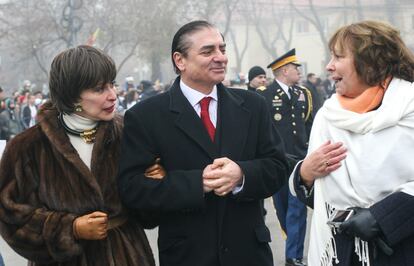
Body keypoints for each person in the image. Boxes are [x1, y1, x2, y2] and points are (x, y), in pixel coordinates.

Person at [117, 20, 289, 266]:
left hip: (249, 254)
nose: (220, 58)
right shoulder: (146, 116)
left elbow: (278, 167)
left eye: (222, 49)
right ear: (180, 61)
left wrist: (241, 175)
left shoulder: (253, 106)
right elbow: (132, 190)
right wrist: (197, 183)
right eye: (208, 51)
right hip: (186, 256)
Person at [0, 45, 155, 266]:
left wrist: (152, 184)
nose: (113, 95)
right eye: (100, 89)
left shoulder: (128, 133)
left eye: (113, 84)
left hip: (125, 255)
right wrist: (70, 228)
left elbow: (148, 212)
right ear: (71, 96)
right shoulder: (27, 147)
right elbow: (10, 215)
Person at [291, 20, 414, 266]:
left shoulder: (409, 106)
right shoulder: (328, 114)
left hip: (401, 249)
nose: (328, 66)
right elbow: (321, 198)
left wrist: (383, 217)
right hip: (341, 251)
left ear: (370, 62)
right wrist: (304, 174)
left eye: (338, 57)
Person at [257, 48, 314, 266]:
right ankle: (292, 246)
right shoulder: (264, 95)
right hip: (278, 161)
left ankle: (294, 256)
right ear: (283, 71)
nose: (299, 71)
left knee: (297, 209)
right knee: (282, 210)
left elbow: (307, 124)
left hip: (299, 161)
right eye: (295, 68)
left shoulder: (303, 94)